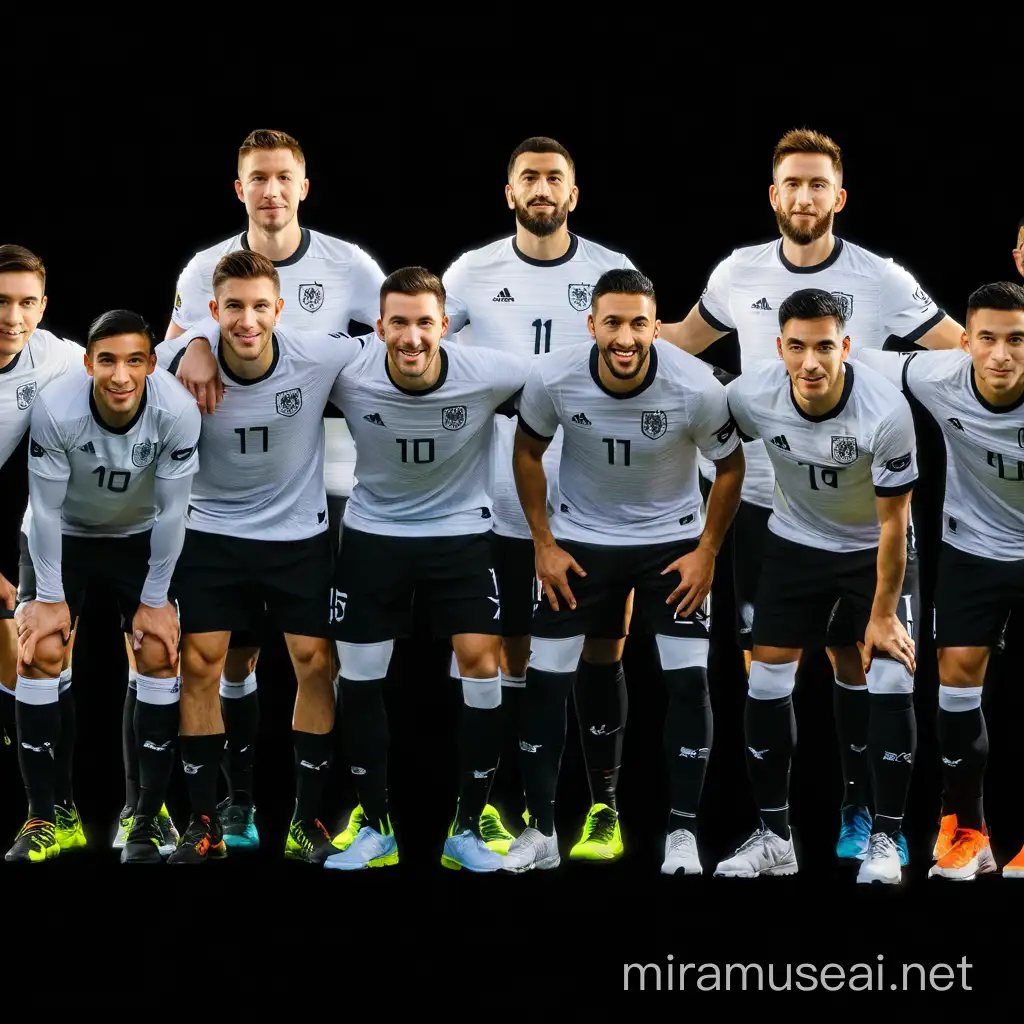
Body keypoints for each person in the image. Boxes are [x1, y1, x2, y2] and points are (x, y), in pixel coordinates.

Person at [659, 127, 962, 864]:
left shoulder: (881, 280)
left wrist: (882, 387)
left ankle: (864, 817)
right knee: (770, 669)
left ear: (839, 196)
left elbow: (960, 349)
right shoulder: (737, 272)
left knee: (862, 660)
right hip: (768, 503)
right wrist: (588, 356)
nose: (803, 196)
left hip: (863, 493)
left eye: (817, 184)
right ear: (773, 195)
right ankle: (775, 834)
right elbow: (680, 343)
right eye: (791, 183)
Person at [162, 128, 385, 851]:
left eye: (283, 176)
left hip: (324, 479)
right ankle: (223, 810)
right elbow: (169, 347)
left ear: (303, 186)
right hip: (222, 484)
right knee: (223, 656)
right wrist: (193, 342)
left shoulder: (347, 266)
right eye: (258, 177)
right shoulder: (204, 270)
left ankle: (311, 814)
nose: (271, 189)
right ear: (240, 189)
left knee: (317, 656)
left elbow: (389, 343)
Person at [502, 269, 744, 875]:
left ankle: (683, 832)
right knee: (549, 677)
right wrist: (542, 542)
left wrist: (708, 551)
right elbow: (527, 452)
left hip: (672, 546)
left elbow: (731, 466)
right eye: (612, 322)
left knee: (688, 681)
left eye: (639, 323)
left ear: (655, 327)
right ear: (591, 325)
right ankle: (545, 830)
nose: (626, 337)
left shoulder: (694, 387)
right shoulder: (553, 376)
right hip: (581, 541)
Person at [440, 136, 640, 862]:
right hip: (497, 493)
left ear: (574, 194)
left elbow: (650, 363)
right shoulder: (471, 271)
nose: (542, 187)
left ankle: (604, 810)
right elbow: (419, 352)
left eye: (556, 177)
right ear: (510, 192)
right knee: (512, 650)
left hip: (594, 500)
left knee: (600, 647)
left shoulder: (611, 273)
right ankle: (509, 807)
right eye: (529, 176)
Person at [318, 267, 530, 873]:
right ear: (379, 326)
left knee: (482, 664)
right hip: (372, 534)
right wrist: (196, 346)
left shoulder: (489, 370)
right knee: (357, 673)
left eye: (425, 323)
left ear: (446, 326)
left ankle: (465, 829)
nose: (412, 338)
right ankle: (376, 828)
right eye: (399, 323)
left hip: (461, 533)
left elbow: (571, 376)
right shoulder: (348, 368)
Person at [714, 289, 918, 886]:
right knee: (767, 677)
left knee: (887, 671)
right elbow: (706, 429)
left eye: (825, 346)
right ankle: (776, 838)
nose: (810, 362)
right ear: (778, 348)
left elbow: (893, 522)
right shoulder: (751, 397)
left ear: (846, 347)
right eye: (797, 347)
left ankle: (886, 834)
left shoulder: (885, 410)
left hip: (873, 549)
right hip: (795, 543)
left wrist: (881, 615)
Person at [10, 309, 200, 864]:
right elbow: (44, 510)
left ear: (151, 363)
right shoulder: (57, 408)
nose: (120, 376)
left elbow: (173, 513)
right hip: (63, 532)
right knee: (40, 653)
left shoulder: (177, 411)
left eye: (134, 361)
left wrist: (156, 598)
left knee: (162, 654)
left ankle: (145, 814)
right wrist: (49, 597)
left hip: (139, 534)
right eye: (108, 361)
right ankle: (48, 815)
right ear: (89, 362)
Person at [859, 281, 1024, 880]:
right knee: (954, 684)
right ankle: (973, 834)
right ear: (966, 340)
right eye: (987, 338)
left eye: (1017, 340)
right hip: (971, 549)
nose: (1001, 355)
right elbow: (844, 352)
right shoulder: (937, 374)